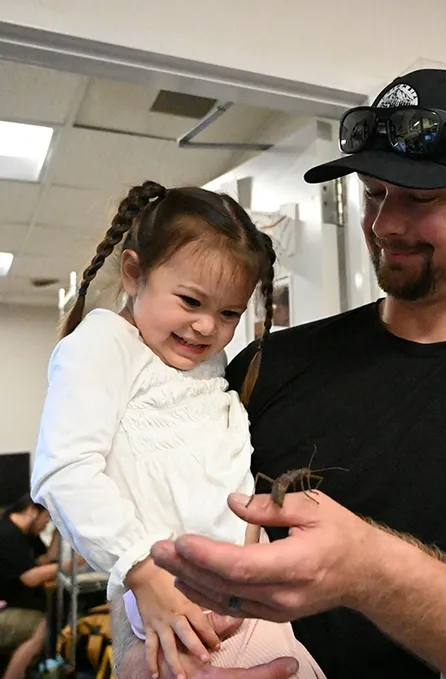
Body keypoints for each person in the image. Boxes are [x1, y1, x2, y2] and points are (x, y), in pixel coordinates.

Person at [117, 69, 446, 679]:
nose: (384, 225)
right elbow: (151, 542)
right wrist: (145, 662)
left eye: (421, 199)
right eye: (374, 192)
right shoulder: (267, 366)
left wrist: (372, 572)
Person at [30, 183, 325, 679]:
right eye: (190, 301)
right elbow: (64, 472)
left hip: (243, 594)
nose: (208, 328)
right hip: (173, 602)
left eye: (230, 312)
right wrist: (143, 573)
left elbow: (222, 475)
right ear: (133, 273)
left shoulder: (204, 363)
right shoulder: (104, 343)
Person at [0, 496, 53, 679]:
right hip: (4, 611)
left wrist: (61, 532)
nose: (45, 525)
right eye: (46, 519)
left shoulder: (26, 535)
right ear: (32, 511)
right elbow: (29, 577)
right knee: (44, 626)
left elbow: (44, 560)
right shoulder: (6, 534)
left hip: (13, 605)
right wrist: (67, 566)